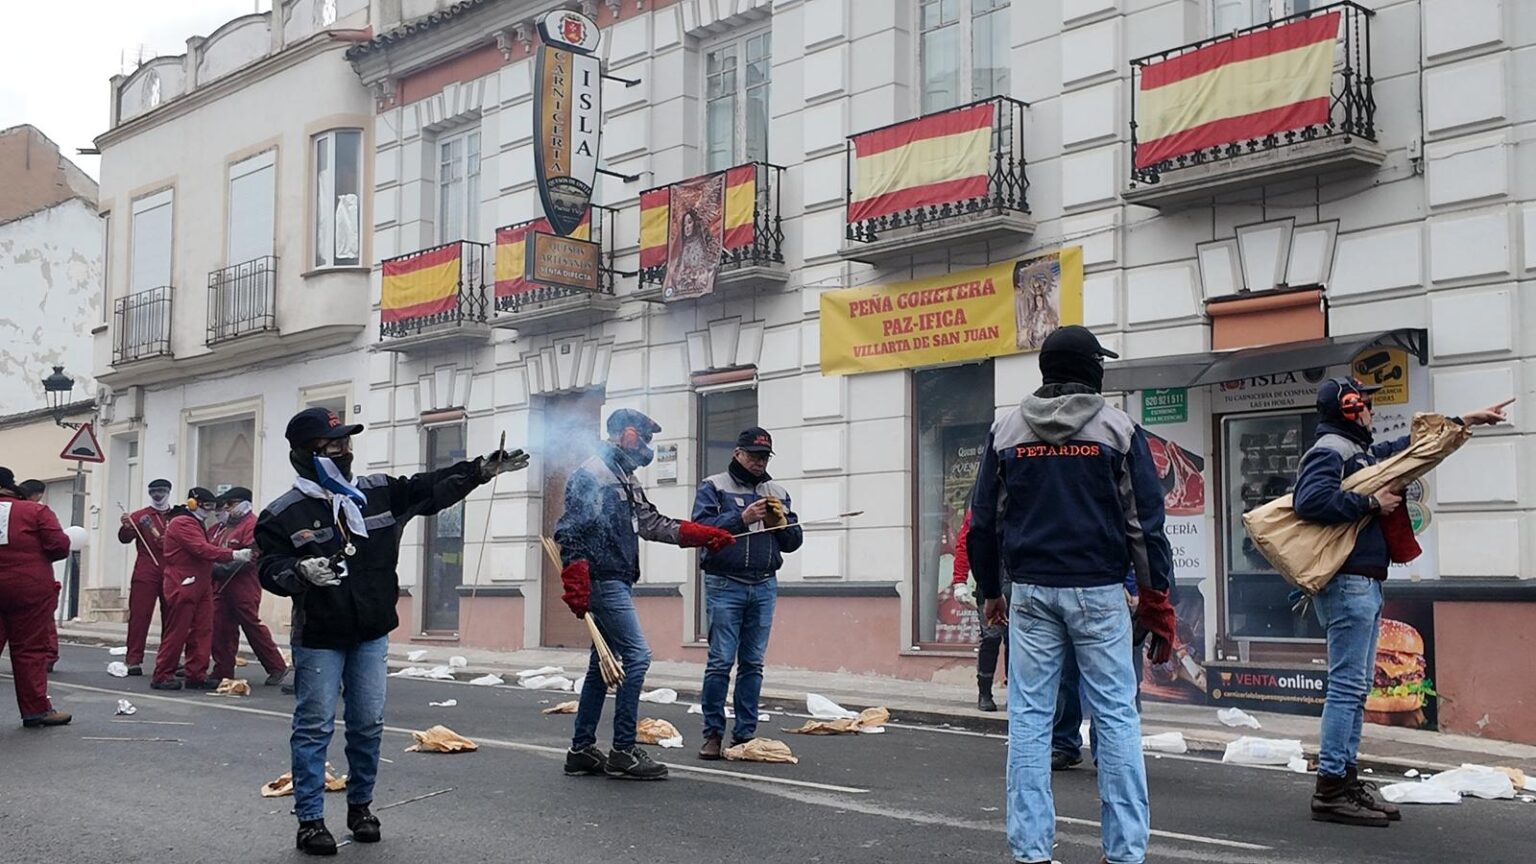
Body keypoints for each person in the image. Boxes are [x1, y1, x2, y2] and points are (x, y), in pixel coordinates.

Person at [258, 407, 527, 855]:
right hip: (321, 636)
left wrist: (479, 470)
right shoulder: (282, 514)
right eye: (333, 446)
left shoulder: (377, 492)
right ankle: (309, 821)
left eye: (347, 443)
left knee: (367, 725)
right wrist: (301, 571)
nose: (345, 451)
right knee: (313, 727)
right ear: (307, 454)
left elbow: (430, 487)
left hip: (371, 631)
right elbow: (269, 569)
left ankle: (360, 806)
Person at [967, 325, 1178, 864]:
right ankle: (1126, 853)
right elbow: (1145, 526)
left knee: (1031, 721)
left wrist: (992, 590)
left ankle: (1032, 852)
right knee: (1115, 718)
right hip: (1099, 593)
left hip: (1031, 594)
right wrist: (1155, 601)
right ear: (1090, 370)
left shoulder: (1006, 429)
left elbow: (983, 523)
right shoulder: (1119, 429)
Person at [1294, 379, 1510, 827]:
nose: (1372, 408)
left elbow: (1404, 449)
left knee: (1354, 692)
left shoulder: (1355, 449)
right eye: (1364, 402)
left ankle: (1344, 779)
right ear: (1349, 408)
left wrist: (1463, 421)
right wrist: (1371, 501)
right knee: (1347, 690)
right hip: (1349, 583)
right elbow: (1309, 500)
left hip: (1363, 582)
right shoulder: (1331, 448)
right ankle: (1331, 787)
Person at [556, 408, 736, 780]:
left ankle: (581, 749)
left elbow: (651, 522)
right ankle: (623, 750)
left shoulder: (624, 476)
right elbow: (569, 530)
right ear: (628, 435)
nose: (650, 448)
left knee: (601, 665)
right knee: (637, 656)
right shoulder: (593, 473)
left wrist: (702, 535)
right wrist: (575, 576)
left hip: (616, 577)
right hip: (604, 579)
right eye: (646, 439)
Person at [691, 426, 801, 760]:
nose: (758, 461)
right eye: (753, 455)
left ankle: (744, 735)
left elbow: (793, 543)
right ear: (737, 453)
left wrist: (779, 525)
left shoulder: (777, 491)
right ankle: (712, 734)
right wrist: (741, 518)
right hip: (726, 582)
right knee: (721, 661)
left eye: (764, 456)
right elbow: (701, 531)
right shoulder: (714, 486)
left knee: (753, 663)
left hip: (765, 582)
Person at [153, 487, 248, 691]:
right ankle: (162, 674)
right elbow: (200, 548)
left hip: (201, 580)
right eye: (207, 505)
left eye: (213, 506)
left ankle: (196, 674)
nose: (210, 510)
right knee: (178, 630)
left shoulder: (195, 522)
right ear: (193, 503)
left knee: (203, 630)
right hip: (183, 580)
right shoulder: (183, 523)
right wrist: (233, 555)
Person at [0, 467, 72, 727]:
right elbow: (59, 545)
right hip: (28, 588)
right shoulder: (34, 511)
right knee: (29, 650)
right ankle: (35, 710)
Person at [1052, 571, 1145, 771]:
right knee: (1069, 675)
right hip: (1076, 586)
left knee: (1106, 681)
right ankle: (1065, 745)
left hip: (1105, 590)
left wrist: (1133, 587)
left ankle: (1104, 751)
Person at [210, 487, 288, 686]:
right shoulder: (227, 528)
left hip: (243, 584)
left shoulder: (252, 525)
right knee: (221, 629)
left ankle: (276, 666)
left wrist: (221, 569)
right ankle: (223, 670)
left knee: (251, 626)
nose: (227, 508)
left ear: (245, 503)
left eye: (231, 504)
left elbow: (251, 556)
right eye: (226, 505)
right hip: (222, 586)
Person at [952, 510, 1006, 712]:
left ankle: (1014, 693)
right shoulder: (984, 504)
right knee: (991, 637)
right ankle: (985, 692)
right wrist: (959, 581)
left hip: (1016, 578)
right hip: (990, 579)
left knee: (1016, 642)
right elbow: (965, 542)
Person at [119, 478, 173, 676]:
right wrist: (126, 526)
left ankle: (169, 660)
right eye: (154, 492)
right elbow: (125, 539)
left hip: (171, 570)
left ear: (169, 492)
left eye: (162, 491)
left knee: (172, 617)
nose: (158, 495)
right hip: (146, 569)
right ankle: (133, 659)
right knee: (140, 616)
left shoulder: (177, 516)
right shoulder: (139, 516)